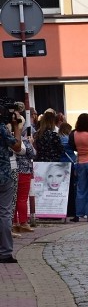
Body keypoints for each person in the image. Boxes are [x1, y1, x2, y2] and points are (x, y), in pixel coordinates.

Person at [0, 107, 23, 262]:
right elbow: (17, 146)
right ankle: (5, 252)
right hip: (4, 175)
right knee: (5, 213)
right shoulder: (1, 128)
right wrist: (16, 127)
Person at [13, 124, 36, 234]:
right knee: (22, 198)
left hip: (12, 171)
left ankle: (14, 222)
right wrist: (31, 143)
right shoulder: (24, 141)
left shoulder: (8, 139)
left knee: (13, 198)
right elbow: (33, 154)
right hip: (24, 171)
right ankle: (23, 222)